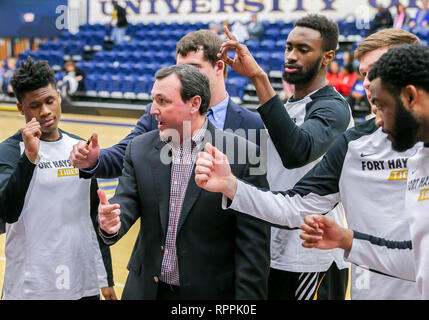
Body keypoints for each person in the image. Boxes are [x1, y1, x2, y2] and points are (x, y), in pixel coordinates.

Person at [195, 28, 422, 300]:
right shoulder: (353, 145)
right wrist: (232, 186)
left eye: (378, 71)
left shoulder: (333, 109)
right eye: (364, 74)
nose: (368, 84)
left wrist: (350, 241)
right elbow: (295, 206)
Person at [96, 64, 270, 300]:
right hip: (146, 289)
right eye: (153, 100)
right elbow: (126, 201)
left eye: (162, 101)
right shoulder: (139, 148)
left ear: (194, 104)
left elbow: (253, 249)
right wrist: (113, 221)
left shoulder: (244, 155)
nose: (152, 110)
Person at [217, 14, 353, 300]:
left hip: (310, 256)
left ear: (327, 56)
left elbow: (297, 152)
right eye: (289, 47)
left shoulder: (334, 108)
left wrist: (258, 77)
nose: (291, 56)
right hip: (273, 247)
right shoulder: (288, 106)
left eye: (303, 50)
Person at [300, 45, 429, 300]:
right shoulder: (419, 162)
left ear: (410, 96)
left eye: (381, 105)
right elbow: (418, 260)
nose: (377, 120)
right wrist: (348, 240)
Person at [69, 30, 265, 179]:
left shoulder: (253, 125)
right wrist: (94, 160)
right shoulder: (157, 113)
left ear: (219, 67)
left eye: (193, 69)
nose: (184, 76)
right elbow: (126, 153)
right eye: (180, 69)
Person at [0, 57, 116, 300]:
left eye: (49, 100)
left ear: (59, 96)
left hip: (84, 284)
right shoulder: (9, 152)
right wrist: (30, 157)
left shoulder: (79, 147)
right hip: (31, 287)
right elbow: (7, 211)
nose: (45, 111)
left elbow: (94, 212)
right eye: (34, 105)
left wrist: (105, 276)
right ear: (21, 108)